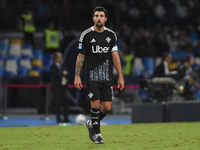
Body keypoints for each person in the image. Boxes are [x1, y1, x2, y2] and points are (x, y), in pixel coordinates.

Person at [74, 6, 124, 144]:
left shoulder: (111, 35)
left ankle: (91, 124)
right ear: (93, 18)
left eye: (102, 16)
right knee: (95, 104)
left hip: (107, 77)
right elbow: (80, 57)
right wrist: (77, 76)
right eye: (97, 16)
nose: (99, 18)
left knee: (107, 107)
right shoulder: (86, 35)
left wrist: (120, 75)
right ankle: (98, 135)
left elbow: (115, 56)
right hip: (92, 77)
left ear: (106, 19)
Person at [50, 52, 70, 124]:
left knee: (66, 102)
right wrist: (63, 73)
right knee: (57, 104)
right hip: (56, 88)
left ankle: (66, 118)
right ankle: (58, 119)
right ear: (56, 58)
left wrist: (64, 74)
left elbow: (67, 73)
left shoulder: (62, 65)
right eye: (59, 57)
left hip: (63, 87)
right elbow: (57, 75)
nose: (61, 58)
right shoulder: (53, 66)